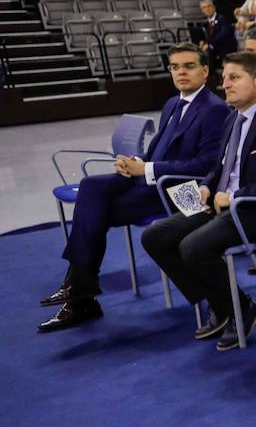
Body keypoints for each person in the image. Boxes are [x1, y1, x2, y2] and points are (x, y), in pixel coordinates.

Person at [38, 44, 231, 332]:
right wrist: (136, 162)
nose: (181, 72)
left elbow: (206, 165)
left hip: (183, 191)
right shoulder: (172, 103)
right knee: (91, 187)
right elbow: (156, 150)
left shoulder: (213, 109)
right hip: (151, 180)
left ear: (205, 70)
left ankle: (79, 293)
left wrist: (148, 169)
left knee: (95, 211)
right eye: (175, 67)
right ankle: (79, 292)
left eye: (189, 66)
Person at [142, 52, 256, 351]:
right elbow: (217, 168)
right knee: (154, 236)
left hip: (254, 208)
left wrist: (234, 196)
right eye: (224, 78)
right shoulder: (233, 117)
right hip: (216, 201)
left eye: (234, 78)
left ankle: (238, 308)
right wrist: (205, 187)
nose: (225, 85)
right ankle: (219, 301)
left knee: (192, 247)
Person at [199, 0, 236, 67]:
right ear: (202, 11)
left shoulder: (223, 19)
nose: (207, 9)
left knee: (207, 54)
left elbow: (223, 35)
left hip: (225, 48)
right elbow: (205, 37)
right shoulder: (205, 23)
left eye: (209, 6)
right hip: (213, 49)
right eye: (204, 7)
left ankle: (209, 76)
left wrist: (209, 45)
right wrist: (202, 42)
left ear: (214, 7)